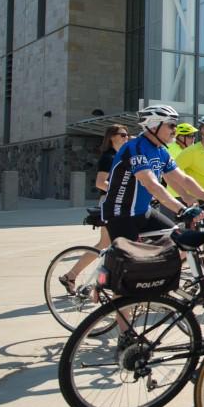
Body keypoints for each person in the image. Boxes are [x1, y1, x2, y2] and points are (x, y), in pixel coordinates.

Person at [101, 105, 204, 241]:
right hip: (121, 215)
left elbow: (183, 179)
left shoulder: (161, 151)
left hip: (143, 211)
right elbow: (151, 184)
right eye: (171, 125)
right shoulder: (135, 148)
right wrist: (181, 210)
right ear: (154, 127)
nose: (175, 130)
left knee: (182, 243)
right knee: (132, 259)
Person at [58, 124, 130, 292]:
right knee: (111, 244)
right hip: (111, 202)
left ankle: (73, 276)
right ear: (112, 137)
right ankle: (95, 282)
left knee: (106, 244)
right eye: (123, 135)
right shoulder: (109, 157)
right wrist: (121, 192)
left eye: (127, 135)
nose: (126, 137)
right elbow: (100, 182)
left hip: (116, 202)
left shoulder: (120, 156)